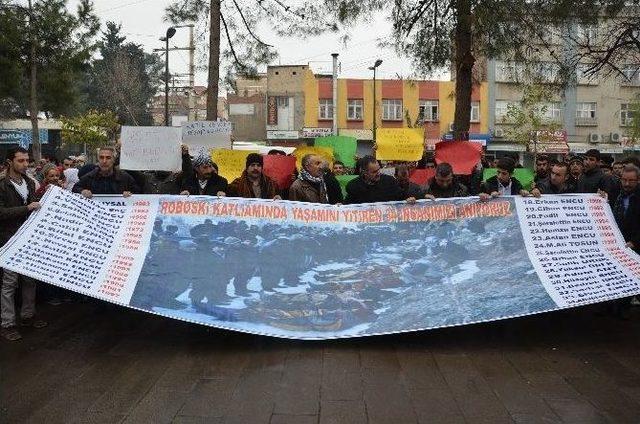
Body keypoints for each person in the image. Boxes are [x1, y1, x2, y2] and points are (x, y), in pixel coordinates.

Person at [0, 147, 46, 341]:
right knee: (9, 282)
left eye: (27, 161)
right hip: (9, 239)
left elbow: (35, 204)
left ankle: (27, 315)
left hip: (27, 238)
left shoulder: (28, 181)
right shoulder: (2, 185)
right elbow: (1, 213)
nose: (25, 164)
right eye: (21, 161)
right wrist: (26, 208)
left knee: (29, 280)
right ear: (10, 162)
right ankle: (7, 323)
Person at [73, 146, 139, 197]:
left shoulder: (124, 177)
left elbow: (138, 192)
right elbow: (75, 188)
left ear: (114, 160)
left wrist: (130, 194)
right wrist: (82, 191)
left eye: (108, 158)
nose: (104, 161)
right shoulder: (90, 176)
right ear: (98, 159)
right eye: (101, 157)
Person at [613, 164, 640, 254]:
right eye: (624, 180)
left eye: (631, 180)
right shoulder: (618, 194)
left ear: (638, 180)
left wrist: (634, 242)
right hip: (620, 245)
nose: (627, 184)